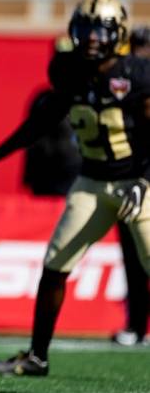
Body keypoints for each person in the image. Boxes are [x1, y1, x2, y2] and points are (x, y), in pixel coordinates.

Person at [0, 0, 150, 376]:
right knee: (55, 266)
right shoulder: (68, 70)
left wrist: (144, 179)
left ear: (119, 32)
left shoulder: (138, 73)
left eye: (101, 29)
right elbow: (40, 123)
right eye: (87, 28)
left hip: (137, 181)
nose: (93, 37)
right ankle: (37, 356)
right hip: (92, 182)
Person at [111, 25, 150, 346]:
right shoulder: (123, 87)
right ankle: (136, 324)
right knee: (134, 257)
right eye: (137, 47)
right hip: (130, 178)